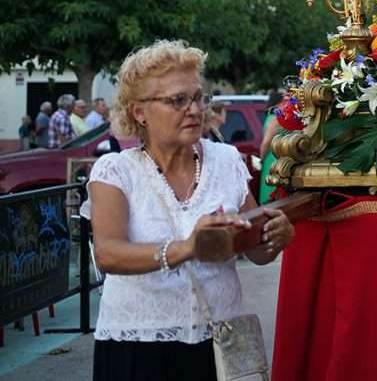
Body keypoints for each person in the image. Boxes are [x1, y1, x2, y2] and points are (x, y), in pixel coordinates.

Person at [81, 39, 295, 380]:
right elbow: (108, 254)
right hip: (138, 346)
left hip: (217, 343)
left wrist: (273, 237)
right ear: (140, 112)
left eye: (198, 97)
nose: (194, 109)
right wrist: (189, 248)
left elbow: (254, 250)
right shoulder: (116, 171)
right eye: (177, 100)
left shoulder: (225, 161)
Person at [258, 92, 285, 204]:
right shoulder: (275, 119)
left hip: (272, 158)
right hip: (272, 159)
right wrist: (262, 158)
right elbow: (267, 142)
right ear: (279, 103)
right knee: (272, 198)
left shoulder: (271, 117)